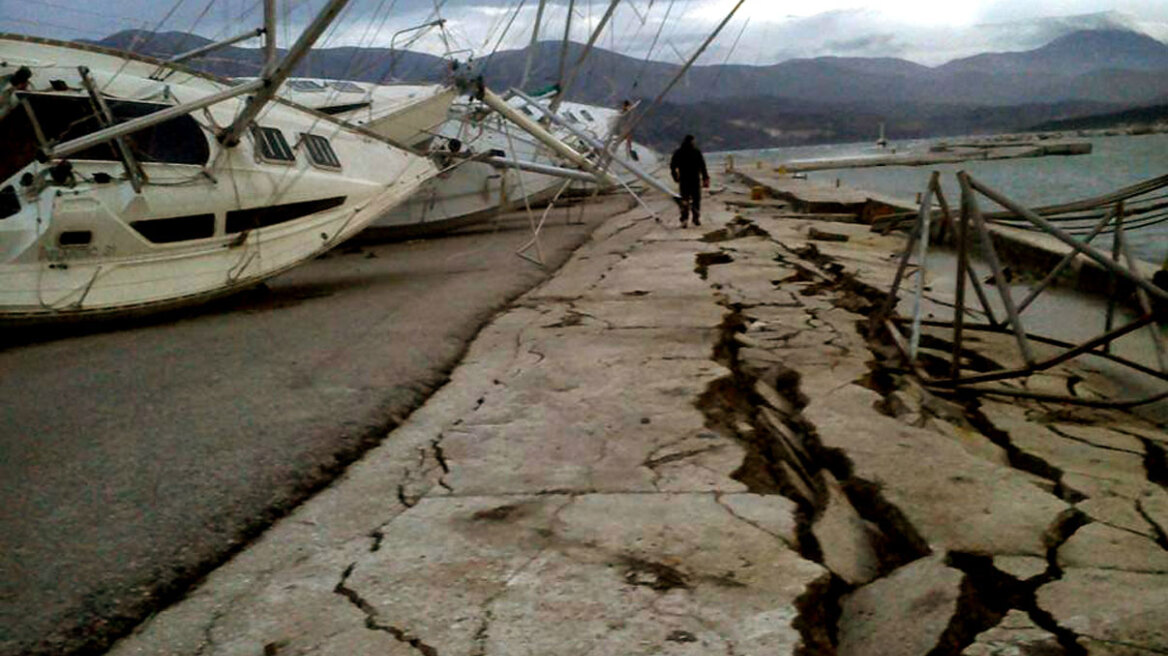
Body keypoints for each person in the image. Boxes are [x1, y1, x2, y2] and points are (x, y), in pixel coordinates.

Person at [670, 134, 709, 227]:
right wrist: (705, 178)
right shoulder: (696, 152)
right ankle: (696, 218)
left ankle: (684, 219)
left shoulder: (678, 152)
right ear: (692, 141)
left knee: (684, 199)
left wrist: (675, 176)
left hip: (683, 180)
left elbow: (672, 166)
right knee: (696, 199)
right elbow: (702, 166)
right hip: (694, 179)